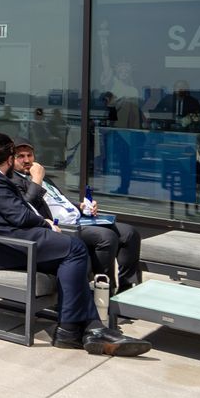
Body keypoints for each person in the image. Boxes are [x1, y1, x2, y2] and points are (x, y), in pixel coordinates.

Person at [0, 134, 149, 356]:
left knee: (70, 255)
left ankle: (87, 327)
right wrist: (45, 224)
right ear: (9, 159)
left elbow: (13, 212)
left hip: (2, 237)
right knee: (74, 248)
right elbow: (19, 215)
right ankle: (72, 329)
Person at [11, 141, 141, 329]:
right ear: (12, 160)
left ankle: (126, 291)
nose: (26, 160)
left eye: (29, 155)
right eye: (20, 156)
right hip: (60, 227)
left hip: (79, 219)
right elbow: (26, 207)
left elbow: (59, 200)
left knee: (130, 233)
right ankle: (104, 295)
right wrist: (36, 180)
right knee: (106, 237)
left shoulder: (45, 178)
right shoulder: (15, 181)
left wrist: (82, 206)